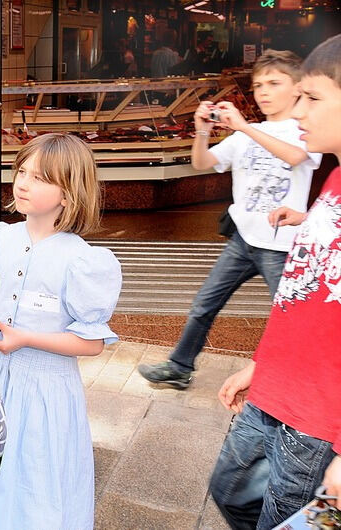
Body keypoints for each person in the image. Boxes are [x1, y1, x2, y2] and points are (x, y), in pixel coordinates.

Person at [207, 33, 341, 529]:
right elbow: (306, 296)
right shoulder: (333, 183)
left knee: (289, 518)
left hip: (318, 415)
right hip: (276, 387)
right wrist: (262, 365)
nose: (298, 111)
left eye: (313, 97)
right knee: (230, 492)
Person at [0, 133, 123, 529]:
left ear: (68, 194)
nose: (24, 182)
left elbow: (91, 343)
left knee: (38, 476)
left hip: (47, 391)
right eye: (22, 171)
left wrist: (25, 338)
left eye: (40, 177)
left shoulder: (83, 260)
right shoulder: (0, 238)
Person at [138, 50, 321, 389]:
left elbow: (296, 156)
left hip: (281, 246)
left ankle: (294, 377)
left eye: (273, 83)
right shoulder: (245, 134)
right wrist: (202, 131)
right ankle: (179, 366)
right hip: (243, 240)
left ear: (297, 88)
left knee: (289, 316)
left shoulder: (305, 130)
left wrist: (244, 127)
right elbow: (202, 162)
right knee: (204, 304)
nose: (263, 91)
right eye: (258, 85)